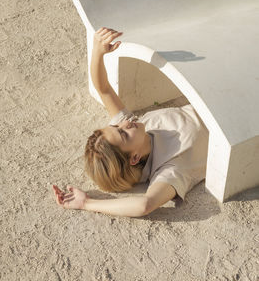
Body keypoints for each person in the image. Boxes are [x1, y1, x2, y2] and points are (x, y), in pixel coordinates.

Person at [53, 27, 209, 217]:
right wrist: (86, 203)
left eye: (116, 126)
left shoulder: (139, 129)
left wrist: (98, 51)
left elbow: (103, 89)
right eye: (123, 133)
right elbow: (144, 205)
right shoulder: (169, 167)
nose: (124, 124)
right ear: (135, 158)